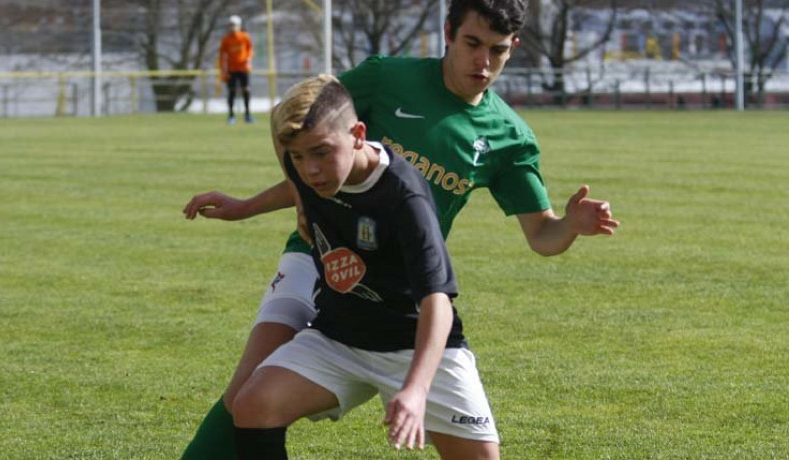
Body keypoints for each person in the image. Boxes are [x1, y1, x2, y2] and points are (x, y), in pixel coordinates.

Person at [180, 0, 619, 458]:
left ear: (515, 48)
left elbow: (541, 235)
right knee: (245, 395)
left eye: (498, 50)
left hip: (402, 288)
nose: (483, 62)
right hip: (318, 256)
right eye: (472, 43)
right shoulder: (385, 76)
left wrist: (568, 225)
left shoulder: (509, 136)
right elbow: (299, 121)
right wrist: (286, 203)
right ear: (448, 31)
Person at [234, 74, 499, 459]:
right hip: (338, 338)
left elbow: (437, 302)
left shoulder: (404, 195)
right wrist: (250, 207)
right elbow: (285, 131)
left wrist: (416, 389)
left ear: (358, 134)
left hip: (415, 343)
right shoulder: (308, 161)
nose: (310, 171)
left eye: (322, 153)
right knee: (253, 404)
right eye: (298, 157)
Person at [220, 15, 254, 125]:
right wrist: (223, 70)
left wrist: (248, 60)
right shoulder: (226, 39)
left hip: (243, 68)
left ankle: (247, 115)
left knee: (246, 90)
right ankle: (231, 115)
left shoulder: (244, 37)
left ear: (239, 26)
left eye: (234, 25)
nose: (232, 27)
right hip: (231, 69)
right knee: (232, 91)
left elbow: (250, 50)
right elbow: (222, 55)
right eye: (230, 25)